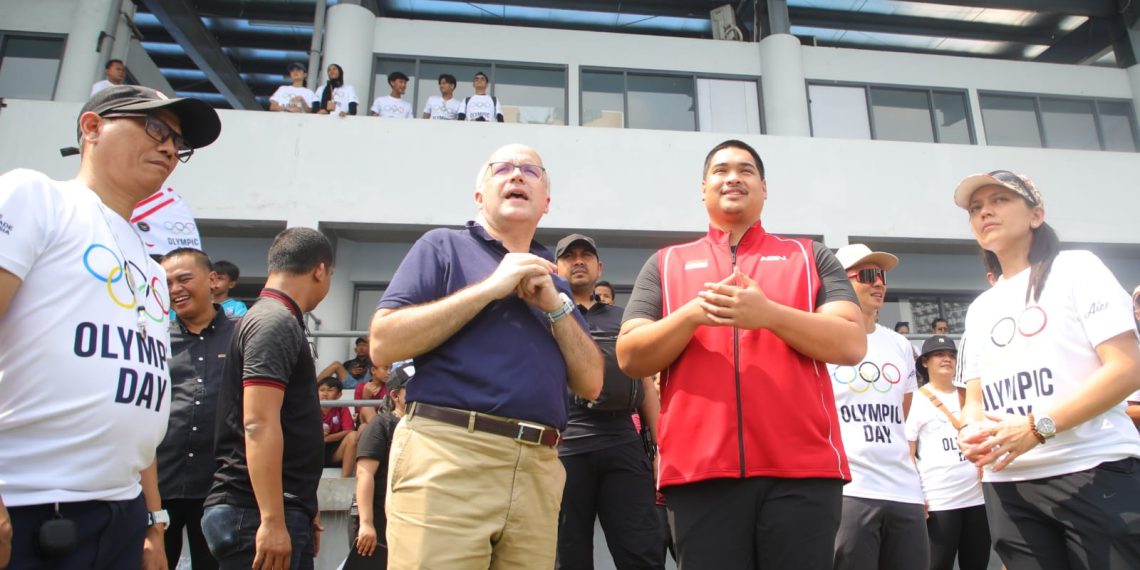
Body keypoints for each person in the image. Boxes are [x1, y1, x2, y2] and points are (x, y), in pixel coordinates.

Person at [617, 139, 865, 570]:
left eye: (746, 170)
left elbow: (850, 342)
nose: (733, 177)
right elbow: (630, 357)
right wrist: (693, 314)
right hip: (699, 474)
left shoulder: (809, 256)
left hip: (803, 473)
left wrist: (768, 314)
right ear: (703, 188)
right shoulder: (666, 263)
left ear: (764, 187)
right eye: (721, 170)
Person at [0, 84, 220, 569]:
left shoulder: (151, 265)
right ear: (92, 128)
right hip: (28, 504)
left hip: (120, 515)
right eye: (154, 126)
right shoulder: (36, 198)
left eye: (177, 142)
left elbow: (138, 403)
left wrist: (152, 520)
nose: (168, 147)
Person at [370, 143, 603, 569]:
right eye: (503, 169)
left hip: (538, 466)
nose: (517, 176)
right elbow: (383, 343)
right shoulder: (441, 246)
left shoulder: (557, 284)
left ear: (546, 203)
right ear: (480, 196)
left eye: (531, 171)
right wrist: (490, 288)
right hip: (448, 457)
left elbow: (592, 382)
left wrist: (556, 306)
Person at [953, 170, 1140, 569]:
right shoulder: (980, 308)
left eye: (1000, 200)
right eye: (976, 208)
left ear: (1036, 214)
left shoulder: (1077, 269)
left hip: (1093, 469)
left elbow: (1127, 368)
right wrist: (970, 431)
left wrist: (1039, 427)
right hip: (1009, 486)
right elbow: (974, 399)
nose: (985, 212)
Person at [201, 227, 336, 570]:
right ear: (320, 270)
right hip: (253, 512)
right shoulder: (274, 321)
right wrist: (273, 520)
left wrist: (305, 506)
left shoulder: (276, 317)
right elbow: (257, 424)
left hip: (275, 506)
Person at [553, 233, 663, 570]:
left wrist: (662, 449)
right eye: (569, 256)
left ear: (599, 266)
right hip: (564, 448)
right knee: (569, 556)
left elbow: (644, 382)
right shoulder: (543, 317)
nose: (578, 261)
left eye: (586, 255)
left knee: (641, 550)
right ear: (555, 267)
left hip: (622, 442)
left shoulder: (625, 318)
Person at [829, 243, 928, 570]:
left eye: (882, 276)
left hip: (905, 493)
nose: (879, 283)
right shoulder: (824, 340)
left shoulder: (900, 345)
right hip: (850, 492)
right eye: (868, 275)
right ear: (839, 282)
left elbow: (902, 410)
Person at [156, 247, 235, 570]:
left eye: (184, 279)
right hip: (160, 485)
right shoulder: (155, 338)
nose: (175, 290)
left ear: (212, 280)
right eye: (167, 283)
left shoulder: (241, 335)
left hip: (219, 487)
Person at [905, 335, 989, 570]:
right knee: (937, 564)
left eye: (952, 355)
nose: (947, 359)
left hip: (978, 497)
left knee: (977, 563)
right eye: (940, 354)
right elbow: (908, 453)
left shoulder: (970, 396)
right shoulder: (917, 399)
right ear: (925, 362)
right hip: (939, 500)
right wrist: (916, 494)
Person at [345, 366, 411, 570]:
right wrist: (366, 523)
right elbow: (364, 473)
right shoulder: (382, 425)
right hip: (376, 521)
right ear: (395, 395)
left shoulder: (421, 428)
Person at [319, 378, 359, 478]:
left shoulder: (341, 407)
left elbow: (349, 430)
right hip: (314, 450)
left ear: (339, 395)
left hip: (335, 450)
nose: (325, 393)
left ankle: (344, 479)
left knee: (353, 436)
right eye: (322, 390)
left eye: (330, 390)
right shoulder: (310, 408)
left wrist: (327, 438)